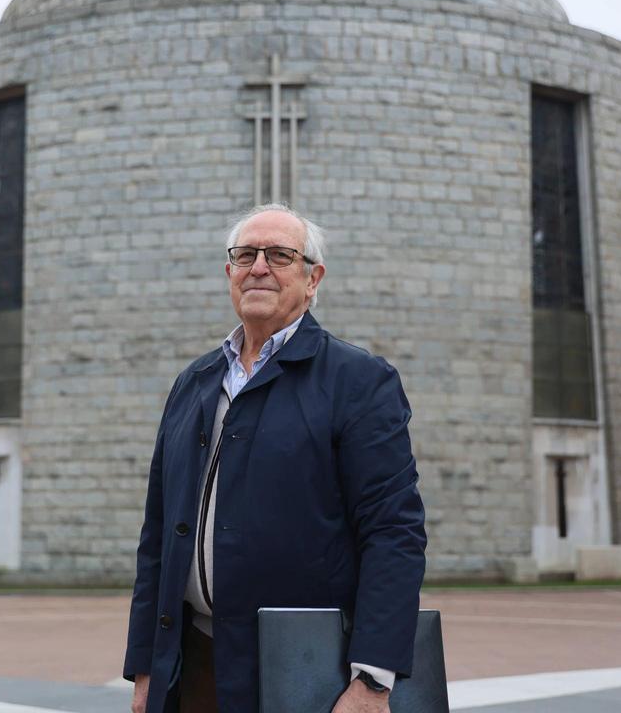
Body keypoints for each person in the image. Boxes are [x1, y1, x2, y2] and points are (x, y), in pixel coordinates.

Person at [124, 204, 427, 713]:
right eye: (245, 255)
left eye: (280, 255)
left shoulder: (358, 381)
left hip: (305, 668)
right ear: (229, 273)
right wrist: (144, 664)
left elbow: (393, 532)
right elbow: (158, 536)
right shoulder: (192, 384)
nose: (258, 267)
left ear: (313, 280)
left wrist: (373, 679)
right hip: (193, 663)